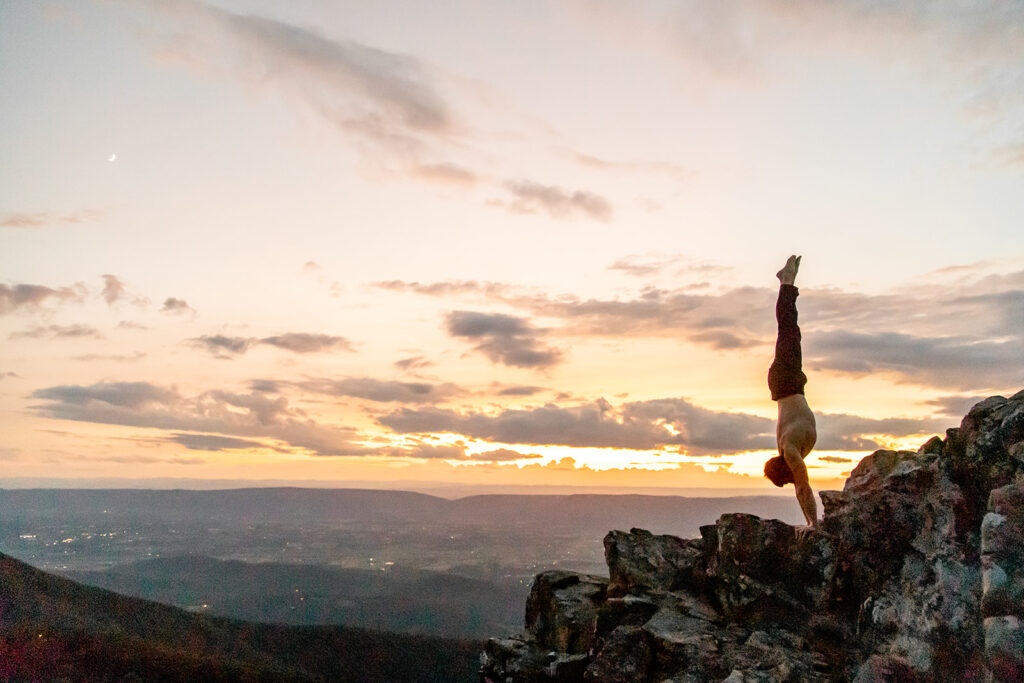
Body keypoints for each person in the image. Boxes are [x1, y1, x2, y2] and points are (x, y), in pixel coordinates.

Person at [763, 255, 819, 527]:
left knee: (787, 329)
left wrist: (814, 524)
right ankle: (786, 283)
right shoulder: (786, 446)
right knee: (789, 332)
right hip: (785, 384)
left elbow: (803, 488)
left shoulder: (791, 451)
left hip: (787, 381)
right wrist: (811, 522)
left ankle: (786, 282)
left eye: (789, 477)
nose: (794, 478)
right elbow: (801, 488)